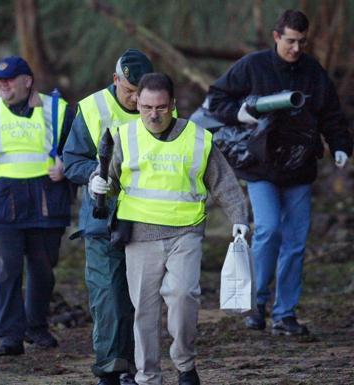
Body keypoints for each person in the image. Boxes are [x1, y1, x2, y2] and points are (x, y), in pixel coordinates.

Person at [90, 73, 249, 385]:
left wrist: (240, 219)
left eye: (160, 107)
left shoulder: (198, 138)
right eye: (146, 106)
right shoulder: (125, 136)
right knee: (144, 311)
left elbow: (224, 183)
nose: (153, 114)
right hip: (139, 236)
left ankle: (185, 365)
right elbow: (107, 181)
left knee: (184, 296)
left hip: (185, 232)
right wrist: (97, 184)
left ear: (173, 105)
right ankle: (147, 376)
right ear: (137, 104)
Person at [208, 9, 353, 335]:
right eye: (290, 41)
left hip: (300, 169)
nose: (296, 48)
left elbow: (330, 112)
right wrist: (240, 113)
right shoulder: (253, 65)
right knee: (268, 230)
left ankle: (284, 313)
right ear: (277, 37)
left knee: (296, 243)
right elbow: (216, 98)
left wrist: (341, 145)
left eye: (302, 42)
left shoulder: (312, 71)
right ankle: (257, 304)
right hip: (261, 168)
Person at [0, 56, 73, 356]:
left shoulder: (58, 111)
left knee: (43, 272)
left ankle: (36, 327)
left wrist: (67, 168)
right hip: (4, 206)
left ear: (28, 80)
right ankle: (9, 337)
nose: (2, 84)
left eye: (9, 79)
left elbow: (81, 153)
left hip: (47, 204)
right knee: (6, 272)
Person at [63, 48, 155, 385]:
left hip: (148, 217)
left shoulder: (158, 106)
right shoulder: (91, 109)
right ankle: (111, 368)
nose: (135, 100)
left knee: (139, 299)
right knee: (108, 299)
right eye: (129, 91)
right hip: (102, 220)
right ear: (116, 80)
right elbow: (71, 160)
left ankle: (134, 365)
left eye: (139, 92)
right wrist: (92, 174)